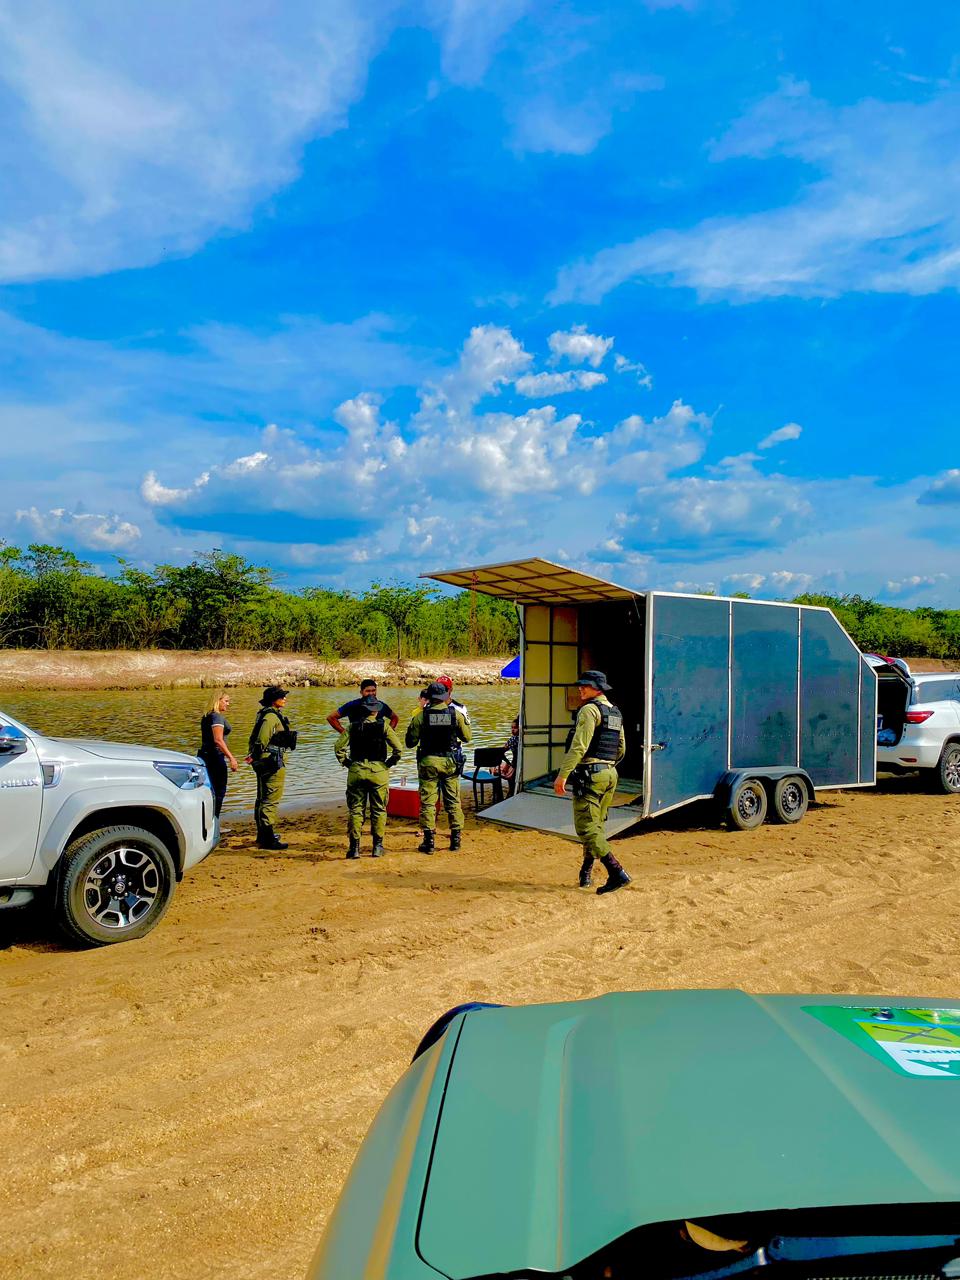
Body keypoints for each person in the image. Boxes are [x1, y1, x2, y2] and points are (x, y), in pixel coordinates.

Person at [553, 670, 631, 894]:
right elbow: (622, 748)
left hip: (590, 775)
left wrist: (563, 774)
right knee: (596, 827)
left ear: (597, 688)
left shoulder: (589, 710)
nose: (580, 689)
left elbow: (579, 746)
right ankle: (586, 872)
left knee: (586, 827)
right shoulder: (615, 712)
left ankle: (617, 872)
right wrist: (607, 766)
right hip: (609, 774)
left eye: (585, 686)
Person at [405, 681, 472, 853]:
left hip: (428, 763)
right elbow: (467, 737)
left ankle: (429, 842)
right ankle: (455, 841)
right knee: (453, 801)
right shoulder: (455, 715)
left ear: (429, 698)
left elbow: (410, 742)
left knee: (427, 802)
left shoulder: (420, 716)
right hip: (450, 763)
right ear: (444, 696)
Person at [335, 694, 404, 858]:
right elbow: (399, 750)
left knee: (356, 809)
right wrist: (388, 764)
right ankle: (377, 847)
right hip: (378, 771)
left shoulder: (353, 727)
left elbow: (338, 748)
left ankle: (354, 848)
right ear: (376, 711)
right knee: (379, 809)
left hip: (357, 770)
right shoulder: (384, 726)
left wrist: (348, 764)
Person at [247, 686, 298, 850]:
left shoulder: (265, 714)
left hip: (266, 761)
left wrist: (254, 756)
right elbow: (262, 740)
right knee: (270, 800)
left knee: (263, 798)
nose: (285, 699)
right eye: (282, 697)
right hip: (272, 762)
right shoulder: (270, 717)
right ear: (273, 700)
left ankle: (263, 835)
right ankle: (268, 839)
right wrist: (255, 755)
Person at [197, 690, 238, 818]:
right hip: (215, 758)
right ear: (217, 700)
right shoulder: (217, 717)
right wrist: (231, 758)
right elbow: (218, 740)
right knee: (219, 791)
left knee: (208, 791)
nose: (228, 704)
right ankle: (214, 823)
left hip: (204, 756)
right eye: (226, 701)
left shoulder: (206, 716)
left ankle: (208, 822)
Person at [327, 680, 399, 734]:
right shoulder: (352, 705)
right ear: (361, 692)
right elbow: (331, 718)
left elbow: (394, 718)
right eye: (367, 691)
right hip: (358, 745)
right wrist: (345, 734)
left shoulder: (381, 705)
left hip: (379, 746)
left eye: (373, 690)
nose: (371, 693)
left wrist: (388, 732)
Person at [497, 718, 520, 791]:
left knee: (493, 769)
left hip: (515, 767)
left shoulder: (513, 739)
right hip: (518, 766)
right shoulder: (525, 738)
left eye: (515, 728)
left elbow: (501, 752)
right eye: (512, 728)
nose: (512, 730)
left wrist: (507, 763)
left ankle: (499, 792)